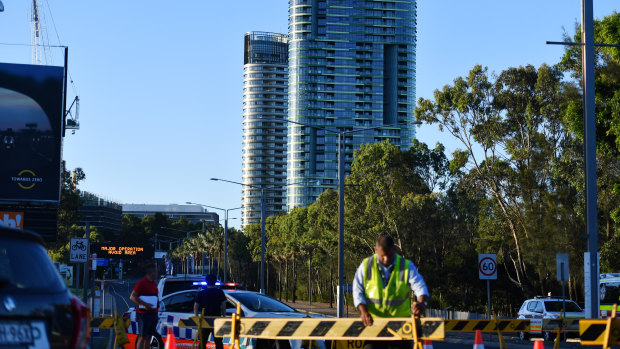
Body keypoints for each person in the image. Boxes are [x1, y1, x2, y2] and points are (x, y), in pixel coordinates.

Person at [353, 235, 429, 349]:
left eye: (390, 255)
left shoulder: (405, 265)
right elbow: (357, 290)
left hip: (401, 326)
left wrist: (422, 302)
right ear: (376, 250)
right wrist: (363, 311)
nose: (386, 260)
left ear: (394, 250)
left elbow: (420, 285)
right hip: (374, 325)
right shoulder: (366, 265)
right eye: (383, 256)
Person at [130, 263, 159, 349]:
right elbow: (132, 296)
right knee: (142, 337)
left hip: (153, 314)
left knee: (149, 337)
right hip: (144, 314)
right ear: (151, 273)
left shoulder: (154, 284)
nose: (157, 274)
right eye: (156, 272)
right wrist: (145, 305)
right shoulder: (141, 283)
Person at [194, 274, 227, 349]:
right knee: (218, 342)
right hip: (217, 320)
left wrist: (196, 316)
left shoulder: (201, 293)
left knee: (203, 341)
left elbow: (196, 305)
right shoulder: (219, 292)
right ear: (215, 282)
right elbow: (223, 305)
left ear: (206, 282)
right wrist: (224, 316)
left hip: (204, 320)